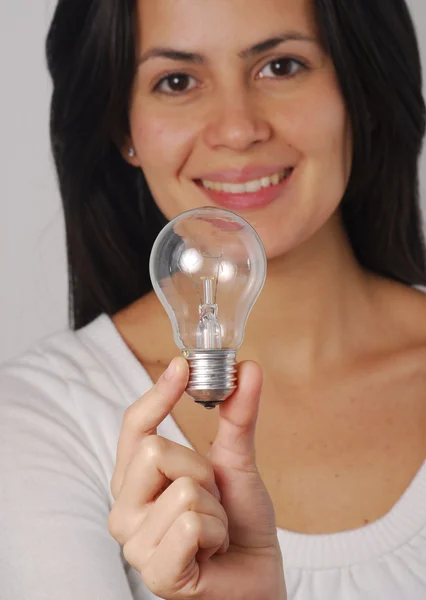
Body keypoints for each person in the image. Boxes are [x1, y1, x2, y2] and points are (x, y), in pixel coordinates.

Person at [1, 0, 426, 598]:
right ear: (124, 128)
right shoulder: (40, 425)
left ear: (360, 87)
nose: (237, 128)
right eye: (177, 81)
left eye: (281, 66)